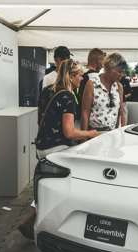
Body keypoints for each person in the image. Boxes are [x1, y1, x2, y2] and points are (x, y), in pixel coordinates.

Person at [18, 60, 100, 239]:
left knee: (48, 187)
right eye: (79, 75)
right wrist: (90, 134)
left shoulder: (48, 91)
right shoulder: (68, 97)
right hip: (55, 149)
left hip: (42, 146)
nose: (82, 79)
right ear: (71, 76)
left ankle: (29, 221)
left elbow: (42, 120)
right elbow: (69, 132)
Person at [82, 53, 128, 130]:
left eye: (123, 72)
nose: (122, 75)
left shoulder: (119, 87)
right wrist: (84, 137)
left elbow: (121, 111)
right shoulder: (92, 84)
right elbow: (85, 113)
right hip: (94, 134)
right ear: (109, 68)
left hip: (112, 135)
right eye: (119, 72)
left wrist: (120, 132)